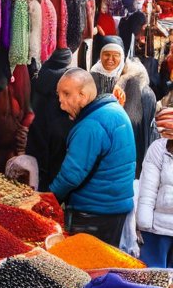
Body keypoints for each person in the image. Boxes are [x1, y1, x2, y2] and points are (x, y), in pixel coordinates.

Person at [48, 69, 136, 247]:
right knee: (103, 266)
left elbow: (71, 175)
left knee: (84, 269)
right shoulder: (114, 110)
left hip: (92, 213)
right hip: (116, 210)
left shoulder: (91, 125)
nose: (61, 103)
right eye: (59, 95)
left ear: (83, 94)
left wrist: (48, 199)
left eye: (66, 94)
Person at [91, 35, 157, 175]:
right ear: (100, 56)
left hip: (125, 155)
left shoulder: (139, 88)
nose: (110, 59)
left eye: (116, 55)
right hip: (95, 152)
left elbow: (141, 132)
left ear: (123, 58)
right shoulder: (90, 79)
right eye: (106, 54)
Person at [27, 47, 76, 190]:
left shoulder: (39, 76)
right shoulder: (68, 79)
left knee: (37, 171)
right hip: (59, 130)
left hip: (36, 127)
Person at [136, 123, 173, 267]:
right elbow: (148, 191)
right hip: (156, 232)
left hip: (157, 230)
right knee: (152, 283)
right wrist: (144, 226)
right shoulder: (159, 148)